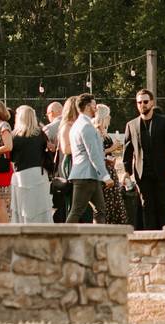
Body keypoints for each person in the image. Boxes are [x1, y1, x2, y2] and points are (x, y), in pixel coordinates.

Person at [122, 89, 165, 230]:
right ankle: (149, 242)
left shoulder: (164, 121)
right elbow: (128, 150)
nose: (142, 104)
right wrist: (126, 171)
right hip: (142, 174)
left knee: (164, 208)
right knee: (146, 208)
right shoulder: (131, 125)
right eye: (139, 102)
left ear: (152, 102)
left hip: (162, 172)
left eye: (145, 101)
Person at [67, 93, 111, 223]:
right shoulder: (86, 126)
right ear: (87, 106)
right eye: (94, 105)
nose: (96, 108)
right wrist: (105, 176)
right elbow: (94, 153)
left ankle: (98, 239)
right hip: (86, 176)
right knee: (77, 211)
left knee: (100, 210)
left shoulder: (77, 125)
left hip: (87, 175)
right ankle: (63, 238)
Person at [9, 105, 53, 223]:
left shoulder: (14, 136)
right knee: (40, 206)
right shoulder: (41, 134)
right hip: (38, 172)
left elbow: (11, 158)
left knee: (23, 207)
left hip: (21, 175)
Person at [93, 103, 127, 225]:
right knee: (107, 203)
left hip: (110, 169)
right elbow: (96, 153)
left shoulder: (105, 133)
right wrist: (112, 148)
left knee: (114, 201)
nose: (110, 117)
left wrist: (111, 157)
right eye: (108, 115)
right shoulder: (96, 131)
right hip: (103, 173)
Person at [52, 97, 79, 223]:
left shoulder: (76, 125)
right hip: (70, 165)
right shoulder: (66, 126)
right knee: (71, 200)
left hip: (76, 164)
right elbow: (66, 149)